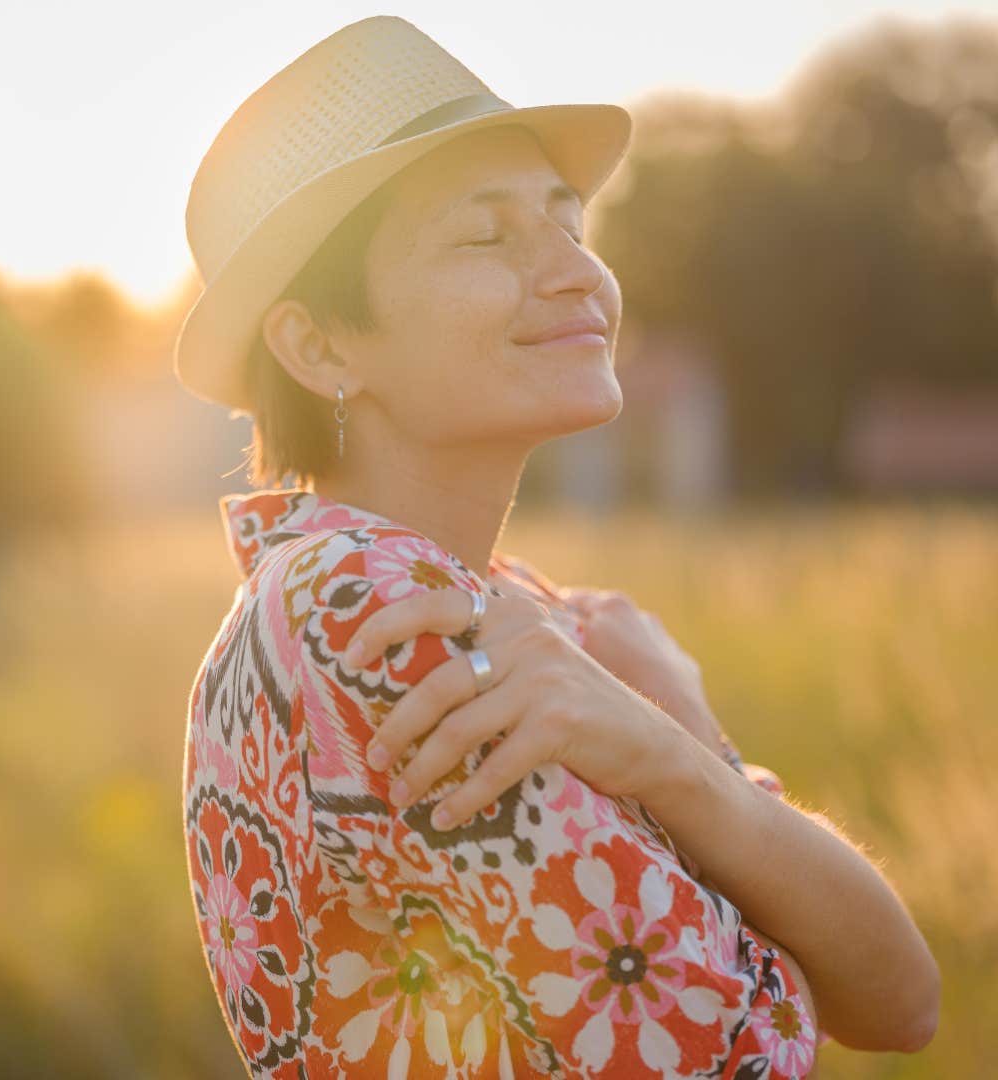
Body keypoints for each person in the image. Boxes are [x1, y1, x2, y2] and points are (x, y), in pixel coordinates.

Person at [176, 16, 938, 1077]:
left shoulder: (489, 611)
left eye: (569, 223)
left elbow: (900, 1002)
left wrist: (666, 740)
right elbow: (751, 1051)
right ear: (319, 343)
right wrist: (687, 749)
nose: (578, 273)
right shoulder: (370, 609)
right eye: (486, 238)